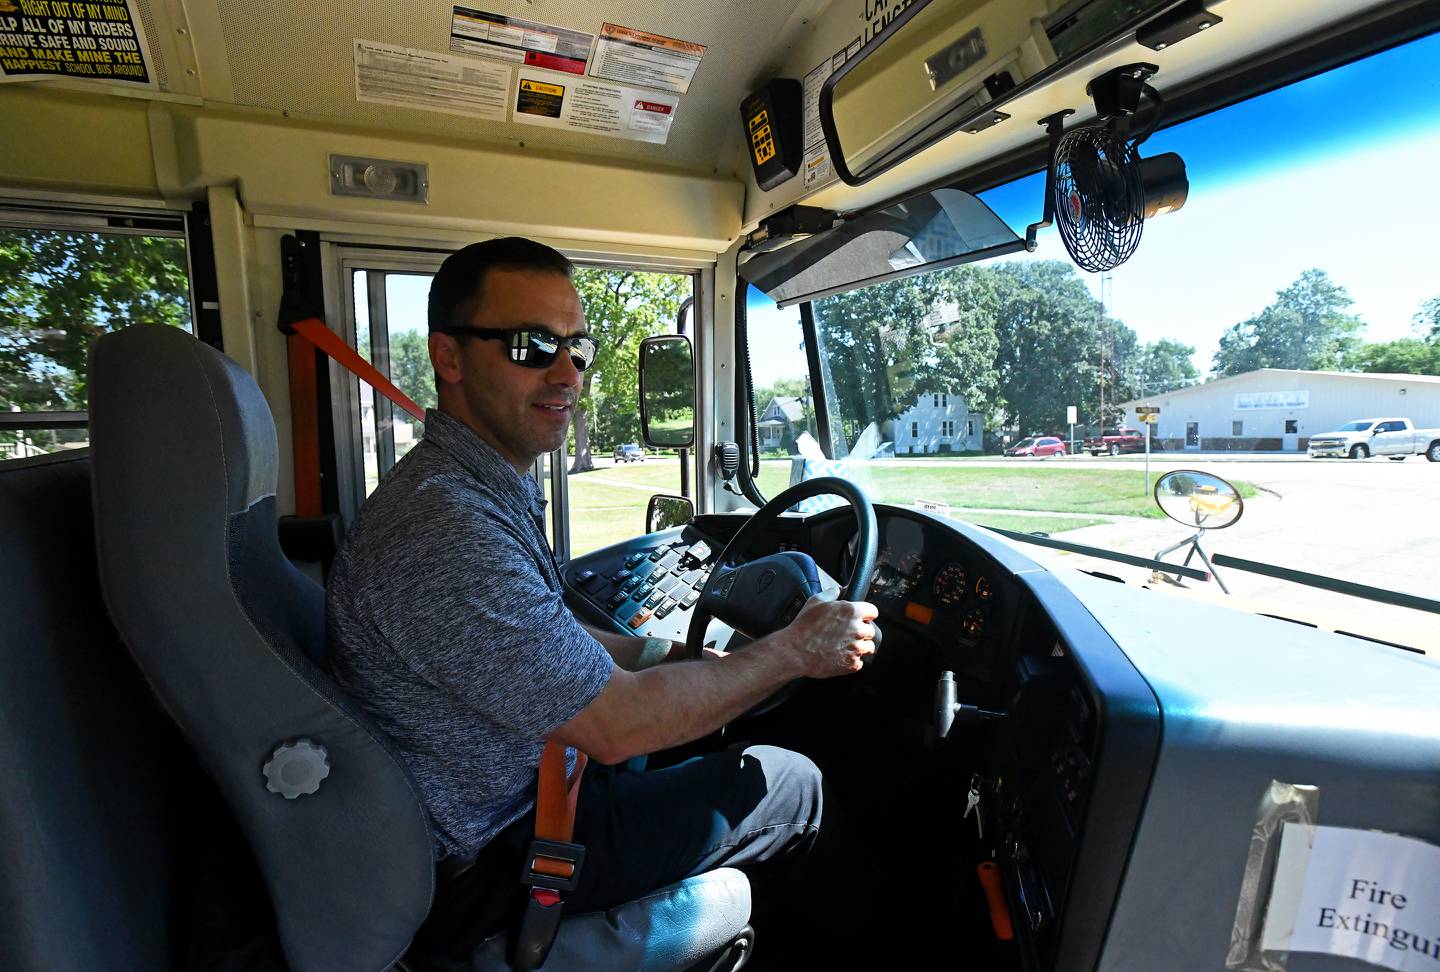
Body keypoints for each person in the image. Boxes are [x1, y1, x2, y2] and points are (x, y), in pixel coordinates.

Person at [326, 237, 877, 962]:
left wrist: (673, 656)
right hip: (497, 858)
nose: (567, 374)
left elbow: (553, 636)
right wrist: (791, 651)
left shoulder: (483, 487)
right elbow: (615, 726)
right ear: (449, 358)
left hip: (526, 789)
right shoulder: (444, 525)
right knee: (790, 784)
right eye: (530, 346)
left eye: (576, 348)